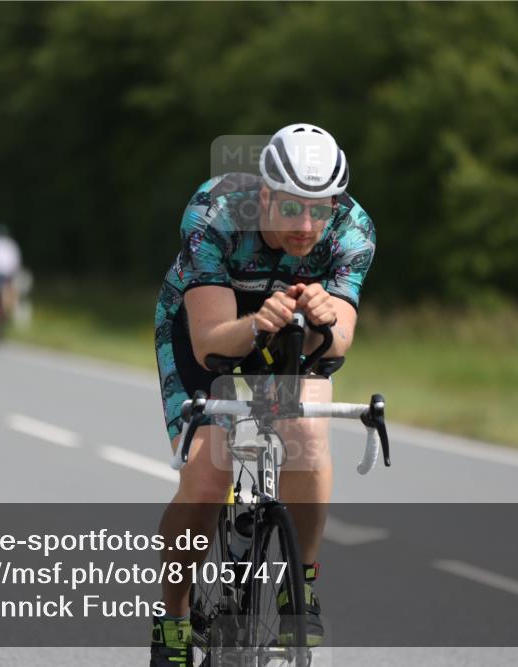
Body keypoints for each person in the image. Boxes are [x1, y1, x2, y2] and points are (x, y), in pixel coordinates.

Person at [151, 123, 376, 666]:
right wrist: (257, 322)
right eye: (292, 208)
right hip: (212, 328)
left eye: (319, 210)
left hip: (294, 332)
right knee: (206, 480)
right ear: (265, 194)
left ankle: (299, 582)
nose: (306, 226)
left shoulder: (352, 228)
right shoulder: (215, 214)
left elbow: (338, 341)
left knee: (307, 434)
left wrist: (322, 322)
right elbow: (209, 345)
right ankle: (174, 623)